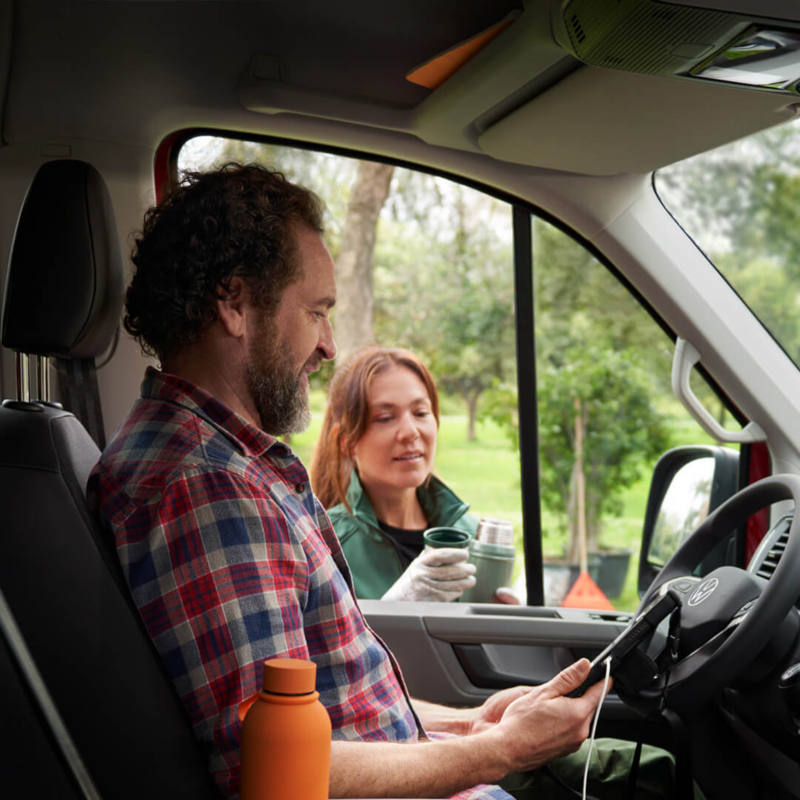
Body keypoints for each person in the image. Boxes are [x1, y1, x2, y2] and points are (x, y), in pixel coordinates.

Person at [88, 163, 672, 800]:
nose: (330, 345)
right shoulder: (207, 488)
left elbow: (336, 711)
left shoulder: (228, 463)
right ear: (234, 304)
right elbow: (277, 776)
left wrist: (472, 722)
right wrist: (496, 753)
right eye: (316, 311)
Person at [311, 346, 515, 603]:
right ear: (346, 441)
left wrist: (509, 629)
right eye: (385, 418)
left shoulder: (475, 539)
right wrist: (395, 608)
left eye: (420, 413)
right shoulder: (324, 547)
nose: (410, 431)